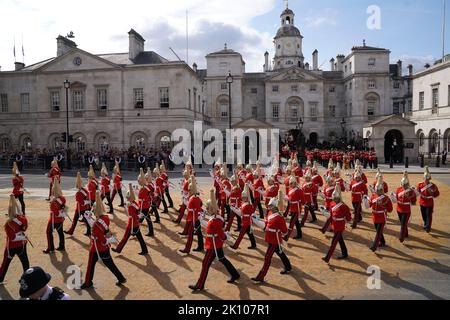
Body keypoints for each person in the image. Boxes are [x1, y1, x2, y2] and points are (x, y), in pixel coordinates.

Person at [189, 190, 240, 292]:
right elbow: (211, 227)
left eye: (208, 208)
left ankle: (200, 284)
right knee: (222, 259)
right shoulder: (216, 218)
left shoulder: (215, 220)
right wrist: (202, 220)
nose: (206, 210)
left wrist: (225, 236)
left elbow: (219, 233)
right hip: (215, 244)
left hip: (212, 246)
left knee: (205, 264)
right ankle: (235, 274)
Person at [81, 192, 126, 289]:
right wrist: (90, 220)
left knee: (90, 265)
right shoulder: (105, 218)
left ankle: (88, 282)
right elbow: (100, 225)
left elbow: (101, 237)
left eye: (93, 209)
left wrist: (90, 222)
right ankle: (121, 278)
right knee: (110, 264)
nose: (92, 210)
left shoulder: (96, 224)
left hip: (97, 248)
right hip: (105, 248)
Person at [251, 193, 291, 283]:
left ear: (276, 207)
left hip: (274, 240)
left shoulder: (280, 217)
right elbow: (268, 222)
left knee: (267, 258)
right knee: (280, 253)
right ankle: (288, 267)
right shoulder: (269, 213)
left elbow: (285, 231)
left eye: (271, 206)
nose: (269, 207)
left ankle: (261, 277)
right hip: (270, 237)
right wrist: (258, 219)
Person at [112, 184, 149, 255]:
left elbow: (132, 215)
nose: (127, 199)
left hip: (132, 224)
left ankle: (118, 249)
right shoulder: (134, 203)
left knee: (125, 237)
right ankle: (145, 250)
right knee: (140, 238)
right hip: (135, 223)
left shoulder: (131, 205)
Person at [0, 195, 29, 283]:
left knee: (5, 263)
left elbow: (12, 238)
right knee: (25, 263)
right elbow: (24, 228)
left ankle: (0, 278)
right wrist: (23, 237)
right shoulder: (24, 219)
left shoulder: (8, 224)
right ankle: (27, 279)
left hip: (11, 246)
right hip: (22, 244)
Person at [322, 184, 352, 263]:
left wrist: (347, 220)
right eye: (334, 198)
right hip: (335, 225)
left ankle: (327, 257)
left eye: (336, 198)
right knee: (340, 240)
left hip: (340, 226)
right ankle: (345, 253)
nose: (334, 199)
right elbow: (331, 215)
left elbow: (348, 217)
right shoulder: (332, 204)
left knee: (333, 242)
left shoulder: (343, 206)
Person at [179, 176, 204, 254]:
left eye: (189, 190)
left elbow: (197, 208)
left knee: (191, 235)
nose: (188, 191)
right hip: (193, 218)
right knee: (198, 233)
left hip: (194, 219)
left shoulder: (194, 198)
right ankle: (200, 246)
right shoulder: (195, 197)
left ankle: (187, 249)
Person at [369, 177, 393, 252]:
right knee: (378, 231)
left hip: (382, 216)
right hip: (374, 216)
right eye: (378, 190)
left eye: (380, 190)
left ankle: (374, 246)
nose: (379, 191)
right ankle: (382, 242)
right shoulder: (373, 196)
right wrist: (365, 200)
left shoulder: (386, 198)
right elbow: (369, 205)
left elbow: (390, 209)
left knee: (379, 232)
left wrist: (384, 207)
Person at [64, 172, 91, 236]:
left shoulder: (78, 193)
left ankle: (72, 231)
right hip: (85, 207)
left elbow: (81, 203)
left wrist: (85, 202)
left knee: (77, 220)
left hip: (80, 208)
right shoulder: (85, 190)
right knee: (86, 220)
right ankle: (88, 231)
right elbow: (88, 199)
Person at [230, 185, 257, 250]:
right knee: (249, 233)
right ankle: (254, 244)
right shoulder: (244, 203)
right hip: (244, 220)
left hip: (246, 221)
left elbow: (251, 212)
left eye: (244, 197)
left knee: (241, 235)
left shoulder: (248, 204)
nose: (243, 198)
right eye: (243, 197)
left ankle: (235, 246)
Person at [43, 180, 66, 254]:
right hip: (61, 218)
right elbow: (64, 208)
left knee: (48, 232)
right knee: (60, 232)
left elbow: (55, 213)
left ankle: (50, 247)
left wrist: (51, 204)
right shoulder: (63, 198)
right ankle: (62, 246)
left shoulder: (53, 202)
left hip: (54, 219)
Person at [417, 167, 440, 233]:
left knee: (429, 215)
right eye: (425, 179)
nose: (426, 180)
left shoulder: (433, 185)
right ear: (423, 178)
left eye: (427, 179)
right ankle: (425, 223)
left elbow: (436, 194)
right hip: (422, 201)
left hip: (429, 202)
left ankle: (428, 227)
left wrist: (431, 192)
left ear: (429, 179)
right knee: (423, 214)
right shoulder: (420, 185)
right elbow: (418, 192)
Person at [395, 171, 417, 243]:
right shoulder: (398, 189)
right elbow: (396, 198)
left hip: (406, 209)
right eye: (403, 184)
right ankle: (406, 233)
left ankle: (401, 237)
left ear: (407, 184)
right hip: (399, 208)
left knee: (404, 223)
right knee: (402, 223)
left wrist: (411, 197)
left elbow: (413, 201)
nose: (404, 186)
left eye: (405, 184)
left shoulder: (411, 191)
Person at [284, 176, 304, 240]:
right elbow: (289, 198)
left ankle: (287, 237)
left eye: (294, 183)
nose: (293, 184)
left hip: (296, 209)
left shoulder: (299, 190)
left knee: (292, 222)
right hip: (292, 208)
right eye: (291, 183)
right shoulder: (290, 189)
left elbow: (302, 200)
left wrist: (299, 202)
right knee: (296, 222)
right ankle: (299, 234)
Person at [137, 168, 154, 237]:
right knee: (141, 218)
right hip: (143, 205)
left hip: (144, 206)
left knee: (147, 219)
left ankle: (150, 231)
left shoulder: (145, 188)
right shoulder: (144, 187)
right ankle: (136, 229)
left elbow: (145, 197)